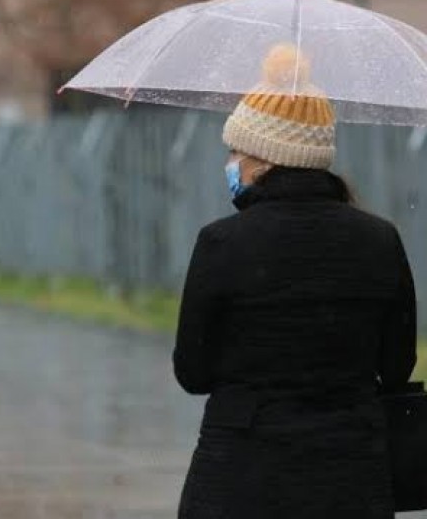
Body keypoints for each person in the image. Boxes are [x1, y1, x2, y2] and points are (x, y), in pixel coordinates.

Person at [174, 43, 417, 519]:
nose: (231, 162)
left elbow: (193, 372)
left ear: (262, 156)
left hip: (240, 478)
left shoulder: (222, 242)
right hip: (351, 478)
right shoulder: (379, 240)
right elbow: (396, 367)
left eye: (236, 150)